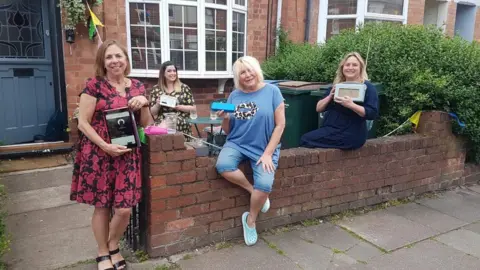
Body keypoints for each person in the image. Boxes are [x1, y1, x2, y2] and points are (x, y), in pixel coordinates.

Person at [70, 39, 153, 270]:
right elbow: (83, 123)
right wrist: (105, 146)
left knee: (124, 208)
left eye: (119, 56)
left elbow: (146, 124)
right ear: (103, 62)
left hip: (127, 155)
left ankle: (113, 244)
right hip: (99, 154)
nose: (114, 61)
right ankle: (103, 252)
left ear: (126, 60)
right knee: (102, 206)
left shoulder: (136, 86)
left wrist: (145, 103)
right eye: (109, 57)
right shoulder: (94, 85)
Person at [215, 56, 286, 246]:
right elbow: (230, 130)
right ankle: (251, 190)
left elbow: (280, 125)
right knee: (223, 165)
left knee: (264, 185)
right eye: (242, 73)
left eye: (249, 70)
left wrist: (268, 153)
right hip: (237, 143)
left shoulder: (272, 91)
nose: (247, 75)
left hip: (263, 147)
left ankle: (250, 220)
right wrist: (225, 118)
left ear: (256, 70)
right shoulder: (235, 95)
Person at [300, 52, 379, 149]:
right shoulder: (337, 86)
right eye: (347, 65)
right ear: (342, 68)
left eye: (354, 65)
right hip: (331, 130)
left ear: (360, 68)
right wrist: (330, 97)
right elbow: (318, 108)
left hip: (351, 134)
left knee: (306, 139)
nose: (350, 68)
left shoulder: (367, 87)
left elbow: (372, 113)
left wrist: (351, 105)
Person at [149, 61, 196, 140]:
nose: (173, 73)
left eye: (174, 71)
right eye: (169, 71)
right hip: (162, 120)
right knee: (160, 126)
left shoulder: (184, 88)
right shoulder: (156, 89)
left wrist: (179, 107)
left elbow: (193, 109)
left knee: (162, 127)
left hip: (180, 119)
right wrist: (157, 104)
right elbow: (153, 112)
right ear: (163, 73)